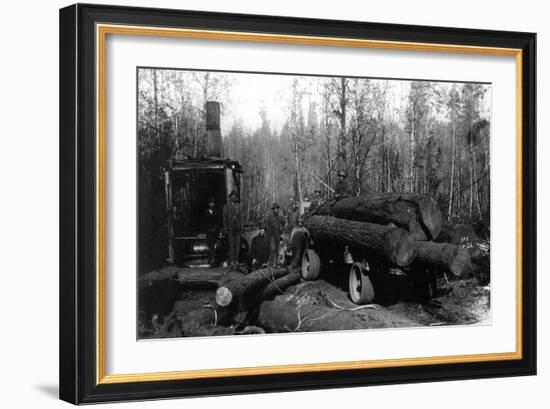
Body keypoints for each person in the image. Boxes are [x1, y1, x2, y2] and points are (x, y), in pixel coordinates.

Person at [222, 190, 242, 267]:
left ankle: (236, 260)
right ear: (230, 197)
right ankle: (232, 260)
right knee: (231, 245)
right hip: (230, 229)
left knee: (237, 245)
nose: (234, 197)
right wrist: (225, 228)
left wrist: (241, 227)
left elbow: (241, 218)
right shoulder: (226, 207)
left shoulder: (239, 206)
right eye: (232, 196)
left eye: (235, 196)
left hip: (237, 229)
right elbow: (224, 218)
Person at [265, 202, 286, 266]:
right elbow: (266, 226)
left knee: (277, 249)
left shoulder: (280, 217)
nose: (276, 210)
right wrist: (267, 235)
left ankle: (275, 263)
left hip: (277, 235)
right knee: (272, 249)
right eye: (275, 209)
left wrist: (282, 230)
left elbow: (284, 223)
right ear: (273, 209)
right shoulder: (269, 217)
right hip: (271, 235)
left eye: (277, 208)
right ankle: (271, 262)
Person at [204, 197, 220, 266]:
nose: (212, 205)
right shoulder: (206, 212)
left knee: (213, 245)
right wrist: (209, 229)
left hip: (215, 231)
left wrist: (215, 228)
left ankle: (212, 259)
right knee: (210, 245)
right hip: (208, 231)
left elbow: (218, 221)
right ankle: (212, 259)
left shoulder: (216, 212)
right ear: (208, 204)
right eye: (210, 203)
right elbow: (205, 222)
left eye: (213, 203)